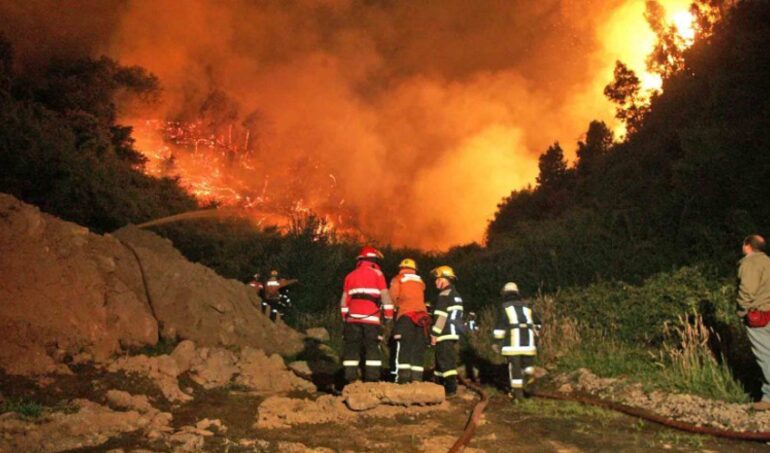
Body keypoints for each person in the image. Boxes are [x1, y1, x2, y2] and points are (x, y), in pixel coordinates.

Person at [340, 246, 393, 383]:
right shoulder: (378, 274)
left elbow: (344, 301)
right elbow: (385, 297)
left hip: (352, 319)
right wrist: (388, 316)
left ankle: (350, 379)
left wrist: (345, 317)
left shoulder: (350, 276)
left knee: (351, 348)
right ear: (374, 260)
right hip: (371, 319)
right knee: (371, 348)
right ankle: (372, 380)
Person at [737, 234, 770, 411]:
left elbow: (747, 291)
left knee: (765, 356)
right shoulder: (768, 262)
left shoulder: (750, 263)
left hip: (759, 315)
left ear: (747, 245)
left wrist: (742, 310)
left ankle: (769, 398)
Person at [493, 282, 541, 400]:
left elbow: (500, 327)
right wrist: (535, 337)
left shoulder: (504, 307)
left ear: (504, 293)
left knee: (515, 368)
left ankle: (518, 395)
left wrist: (496, 342)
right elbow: (538, 323)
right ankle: (530, 373)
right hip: (528, 342)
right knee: (527, 364)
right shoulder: (527, 306)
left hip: (512, 344)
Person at [390, 258, 430, 383]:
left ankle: (403, 379)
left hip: (406, 315)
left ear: (401, 268)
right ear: (414, 269)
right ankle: (417, 379)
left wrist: (393, 308)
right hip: (421, 317)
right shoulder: (420, 281)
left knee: (404, 346)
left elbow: (392, 297)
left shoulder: (397, 279)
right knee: (418, 347)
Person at [430, 265, 465, 397]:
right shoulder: (456, 294)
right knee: (441, 361)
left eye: (437, 279)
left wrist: (434, 333)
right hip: (452, 332)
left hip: (444, 333)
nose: (435, 282)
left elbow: (441, 316)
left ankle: (451, 389)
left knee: (445, 361)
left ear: (444, 279)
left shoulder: (444, 294)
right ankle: (439, 387)